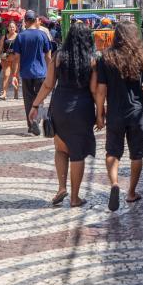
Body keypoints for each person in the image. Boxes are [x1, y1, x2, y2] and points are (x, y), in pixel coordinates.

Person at [28, 23, 103, 208]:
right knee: (77, 153)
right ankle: (75, 198)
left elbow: (48, 84)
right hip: (83, 108)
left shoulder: (59, 56)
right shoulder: (93, 59)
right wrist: (100, 113)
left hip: (60, 106)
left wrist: (35, 105)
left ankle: (61, 187)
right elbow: (95, 90)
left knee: (61, 149)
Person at [96, 22, 143, 211]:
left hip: (115, 112)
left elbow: (101, 89)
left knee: (112, 152)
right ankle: (131, 192)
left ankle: (115, 184)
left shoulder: (105, 57)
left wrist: (99, 113)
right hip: (136, 112)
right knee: (137, 153)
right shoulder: (142, 57)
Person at [14, 11, 52, 135]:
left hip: (26, 73)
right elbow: (48, 56)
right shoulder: (42, 35)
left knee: (28, 100)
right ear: (36, 20)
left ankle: (31, 124)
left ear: (25, 21)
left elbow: (16, 58)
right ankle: (38, 118)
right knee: (39, 99)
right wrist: (51, 72)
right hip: (41, 72)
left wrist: (14, 75)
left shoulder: (20, 36)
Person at [0, 21, 20, 101]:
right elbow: (0, 49)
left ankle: (16, 92)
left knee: (15, 76)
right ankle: (4, 93)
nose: (12, 28)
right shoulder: (4, 37)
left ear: (16, 28)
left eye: (13, 27)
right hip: (6, 59)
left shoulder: (18, 36)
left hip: (15, 59)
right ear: (8, 28)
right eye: (10, 27)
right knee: (6, 75)